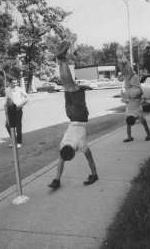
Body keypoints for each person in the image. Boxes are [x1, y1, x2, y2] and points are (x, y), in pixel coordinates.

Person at [48, 41, 98, 191]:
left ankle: (62, 60)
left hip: (79, 116)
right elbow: (62, 159)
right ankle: (61, 61)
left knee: (70, 85)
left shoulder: (80, 145)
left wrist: (94, 173)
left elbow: (90, 159)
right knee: (68, 86)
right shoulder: (62, 145)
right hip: (70, 114)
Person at [117, 48, 150, 143]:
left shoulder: (129, 113)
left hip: (132, 92)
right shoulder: (137, 113)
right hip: (133, 93)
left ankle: (131, 137)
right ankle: (147, 135)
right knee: (143, 122)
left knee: (127, 72)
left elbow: (137, 94)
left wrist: (127, 95)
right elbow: (139, 94)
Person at [4, 78, 28, 149]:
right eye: (13, 83)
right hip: (10, 109)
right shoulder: (7, 90)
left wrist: (20, 105)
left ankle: (19, 142)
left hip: (18, 109)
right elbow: (7, 99)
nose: (15, 84)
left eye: (16, 82)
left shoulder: (20, 89)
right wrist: (5, 107)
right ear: (9, 83)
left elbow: (27, 98)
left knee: (18, 126)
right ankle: (14, 141)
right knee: (8, 126)